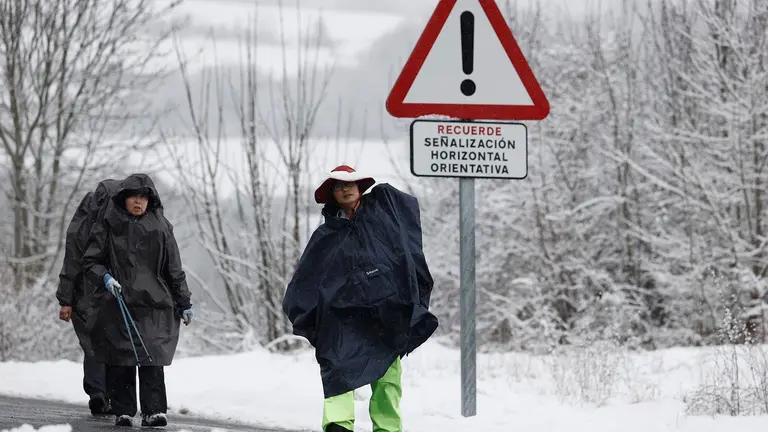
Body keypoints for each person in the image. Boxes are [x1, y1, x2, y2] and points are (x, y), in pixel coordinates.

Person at [282, 165, 439, 432]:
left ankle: (387, 428)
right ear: (332, 193)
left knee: (387, 380)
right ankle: (338, 425)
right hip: (342, 320)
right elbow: (306, 281)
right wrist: (312, 318)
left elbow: (405, 256)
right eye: (338, 186)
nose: (345, 189)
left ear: (359, 187)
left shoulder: (383, 222)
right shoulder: (325, 236)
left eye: (349, 184)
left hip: (385, 314)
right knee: (337, 370)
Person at [82, 173, 194, 428]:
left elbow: (173, 268)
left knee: (151, 354)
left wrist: (184, 301)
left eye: (144, 197)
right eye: (134, 197)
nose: (138, 202)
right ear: (124, 199)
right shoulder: (108, 224)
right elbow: (91, 261)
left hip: (155, 302)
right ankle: (123, 410)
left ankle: (154, 411)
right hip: (116, 300)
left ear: (150, 201)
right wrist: (105, 277)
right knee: (121, 356)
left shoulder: (162, 227)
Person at [56, 179, 120, 415]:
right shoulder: (114, 224)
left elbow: (71, 261)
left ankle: (97, 393)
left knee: (93, 346)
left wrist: (66, 300)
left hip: (83, 295)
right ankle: (110, 395)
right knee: (112, 345)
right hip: (107, 292)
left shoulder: (81, 224)